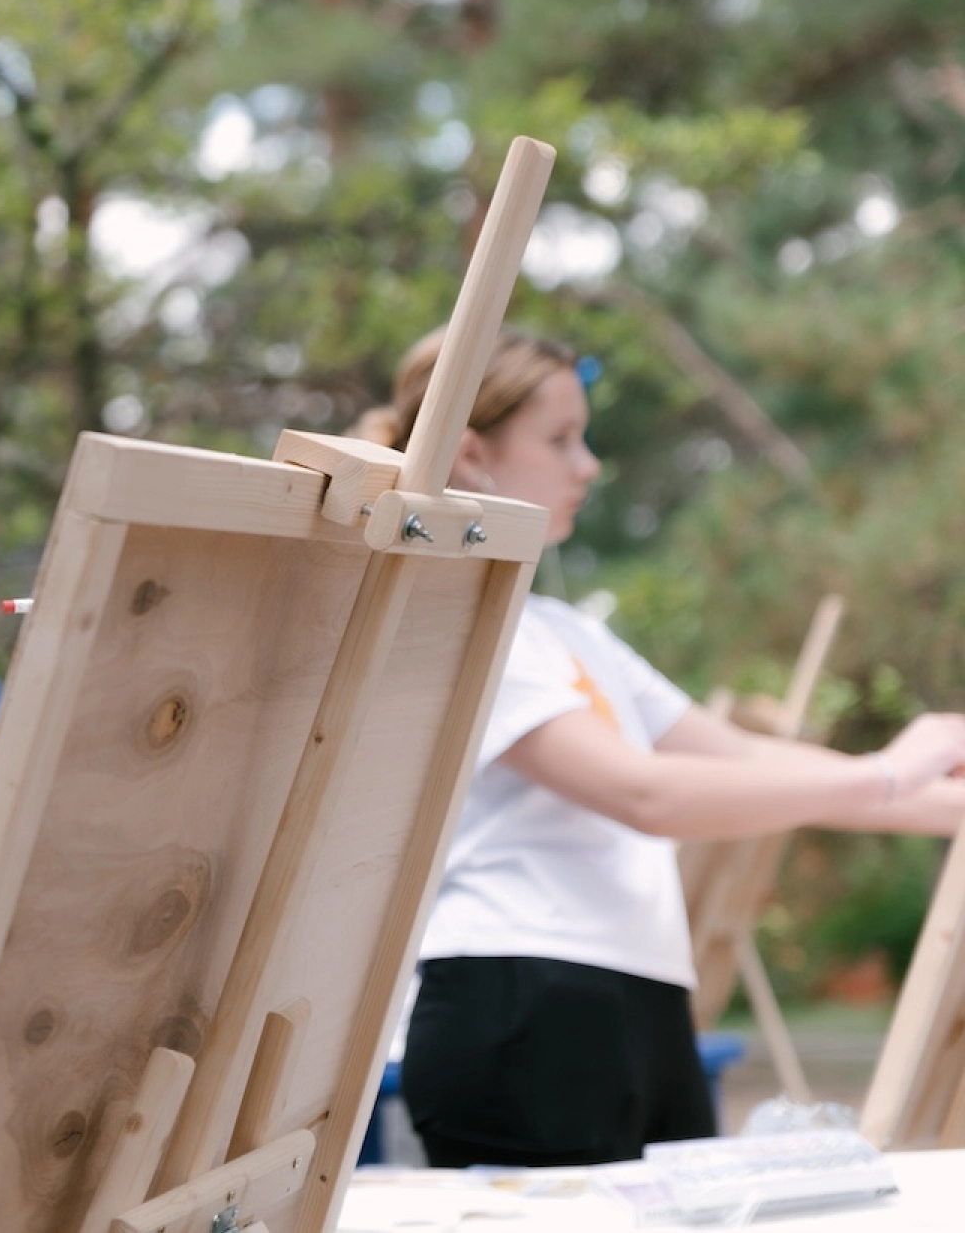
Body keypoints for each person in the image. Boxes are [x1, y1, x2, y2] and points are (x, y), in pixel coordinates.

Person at [355, 325, 965, 1170]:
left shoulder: (568, 633)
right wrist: (892, 769)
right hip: (521, 998)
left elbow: (744, 761)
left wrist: (938, 802)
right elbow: (645, 794)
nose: (589, 465)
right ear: (471, 455)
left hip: (633, 1000)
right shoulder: (463, 623)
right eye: (562, 440)